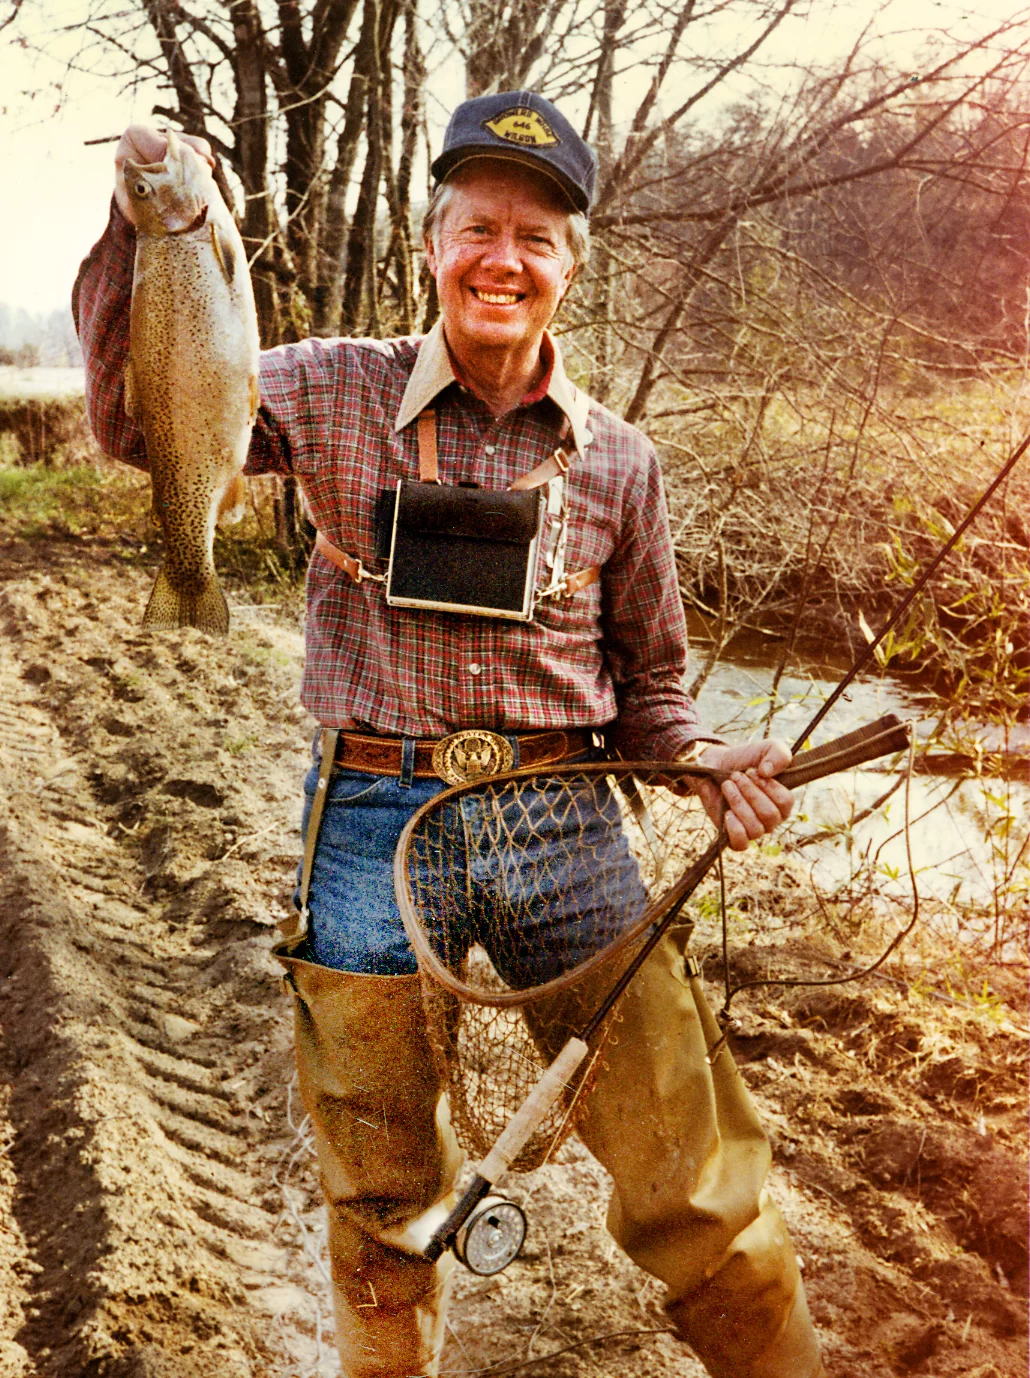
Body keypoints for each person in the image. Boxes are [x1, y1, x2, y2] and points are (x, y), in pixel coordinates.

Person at [74, 91, 826, 1378]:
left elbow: (654, 685)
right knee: (380, 1204)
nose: (504, 259)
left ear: (570, 268)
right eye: (478, 227)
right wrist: (146, 227)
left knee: (697, 1181)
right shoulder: (321, 387)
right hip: (372, 821)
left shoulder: (620, 465)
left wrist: (703, 764)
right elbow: (141, 425)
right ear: (433, 243)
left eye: (536, 238)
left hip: (567, 829)